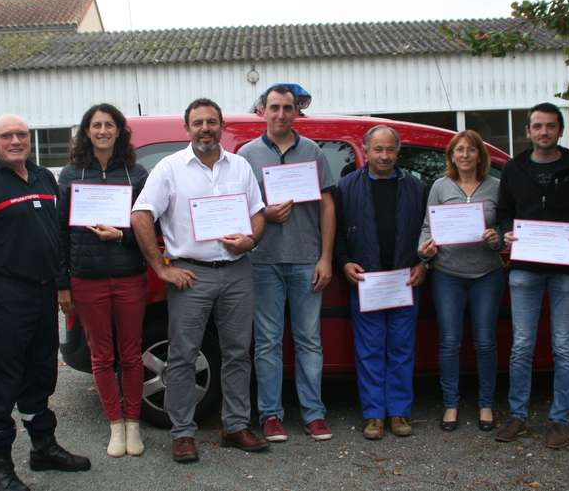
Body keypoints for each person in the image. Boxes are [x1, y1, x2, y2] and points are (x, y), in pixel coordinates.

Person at [130, 98, 269, 463]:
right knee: (183, 355)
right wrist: (161, 268)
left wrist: (251, 239)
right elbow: (141, 215)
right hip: (192, 274)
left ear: (221, 126)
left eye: (211, 122)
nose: (205, 128)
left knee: (238, 352)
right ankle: (183, 433)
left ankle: (235, 425)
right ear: (187, 128)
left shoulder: (239, 167)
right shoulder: (169, 169)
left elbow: (258, 214)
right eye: (198, 122)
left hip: (238, 271)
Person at [0, 114, 90, 491]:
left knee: (41, 371)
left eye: (21, 135)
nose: (15, 141)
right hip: (4, 294)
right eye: (6, 136)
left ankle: (43, 448)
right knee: (5, 377)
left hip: (43, 291)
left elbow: (59, 234)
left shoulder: (45, 178)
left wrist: (63, 284)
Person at [495, 102, 569, 449]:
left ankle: (559, 420)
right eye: (537, 126)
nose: (544, 132)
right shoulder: (514, 169)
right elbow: (504, 212)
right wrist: (508, 231)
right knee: (523, 345)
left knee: (563, 346)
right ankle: (517, 415)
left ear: (560, 130)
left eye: (550, 126)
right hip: (525, 268)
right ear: (527, 132)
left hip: (567, 269)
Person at [239, 84, 336, 443]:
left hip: (306, 261)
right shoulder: (246, 155)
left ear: (297, 112)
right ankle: (271, 415)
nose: (281, 114)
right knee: (266, 342)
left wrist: (326, 257)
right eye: (275, 107)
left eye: (288, 108)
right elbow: (239, 208)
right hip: (263, 261)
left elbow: (327, 206)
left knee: (309, 340)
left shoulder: (313, 151)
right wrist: (264, 213)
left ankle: (314, 414)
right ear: (262, 110)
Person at [56, 104, 149, 457]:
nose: (103, 131)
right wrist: (62, 282)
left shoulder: (137, 174)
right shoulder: (71, 174)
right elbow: (60, 233)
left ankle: (133, 424)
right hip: (87, 278)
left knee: (130, 354)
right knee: (101, 354)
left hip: (128, 276)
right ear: (87, 131)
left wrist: (121, 236)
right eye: (96, 125)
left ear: (119, 131)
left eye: (109, 125)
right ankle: (114, 424)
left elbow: (147, 227)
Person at [334, 125, 427, 440]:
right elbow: (336, 233)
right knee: (370, 350)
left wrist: (423, 264)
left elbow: (428, 232)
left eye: (390, 150)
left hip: (405, 280)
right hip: (366, 283)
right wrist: (344, 262)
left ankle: (399, 412)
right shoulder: (346, 187)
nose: (384, 156)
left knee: (401, 349)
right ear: (366, 150)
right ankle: (374, 415)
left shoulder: (416, 188)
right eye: (378, 149)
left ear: (398, 152)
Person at [417, 129, 504, 432]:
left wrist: (498, 239)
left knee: (484, 341)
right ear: (451, 155)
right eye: (459, 150)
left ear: (480, 154)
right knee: (450, 341)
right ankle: (451, 404)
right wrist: (423, 250)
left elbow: (506, 230)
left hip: (487, 274)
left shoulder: (496, 186)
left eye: (471, 150)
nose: (465, 155)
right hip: (447, 273)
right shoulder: (440, 187)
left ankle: (486, 404)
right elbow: (428, 227)